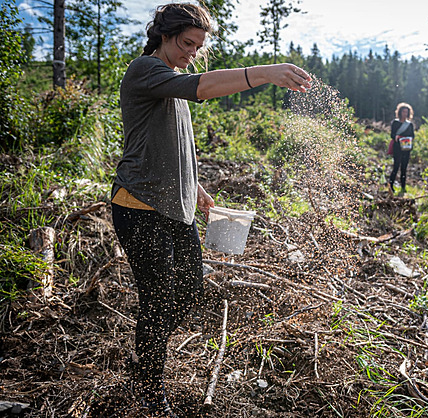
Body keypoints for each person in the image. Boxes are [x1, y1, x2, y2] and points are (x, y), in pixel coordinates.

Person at [110, 3, 311, 416]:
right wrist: (266, 73)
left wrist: (194, 184)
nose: (191, 53)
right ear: (163, 35)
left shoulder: (170, 79)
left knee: (186, 292)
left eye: (198, 47)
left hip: (175, 205)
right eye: (186, 43)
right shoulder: (144, 69)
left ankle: (145, 356)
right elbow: (202, 87)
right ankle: (148, 387)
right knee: (158, 299)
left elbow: (165, 139)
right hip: (139, 204)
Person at [388, 102, 415, 196]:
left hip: (406, 148)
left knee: (404, 168)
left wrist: (407, 139)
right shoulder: (395, 123)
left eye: (406, 112)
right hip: (397, 148)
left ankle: (403, 187)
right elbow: (392, 135)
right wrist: (397, 137)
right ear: (400, 112)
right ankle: (390, 186)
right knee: (396, 166)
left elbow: (412, 135)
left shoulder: (410, 124)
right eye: (403, 112)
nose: (405, 114)